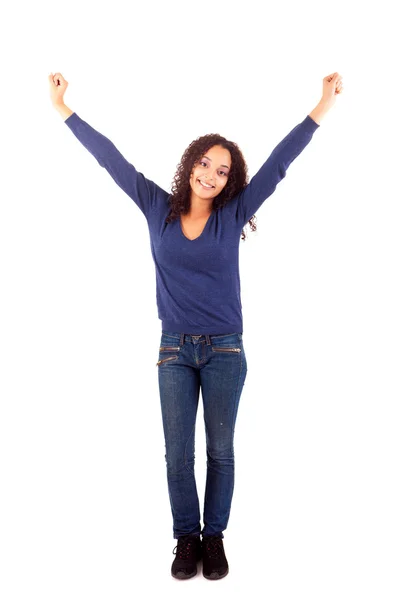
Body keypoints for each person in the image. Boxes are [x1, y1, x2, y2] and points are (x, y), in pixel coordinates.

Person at [48, 71, 344, 580]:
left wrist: (321, 105)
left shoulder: (233, 216)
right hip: (173, 351)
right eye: (205, 163)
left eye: (222, 170)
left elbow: (279, 164)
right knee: (177, 455)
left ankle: (215, 539)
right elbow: (110, 158)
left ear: (231, 181)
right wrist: (62, 108)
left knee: (220, 451)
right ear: (191, 165)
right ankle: (186, 539)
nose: (210, 174)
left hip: (226, 350)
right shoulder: (156, 207)